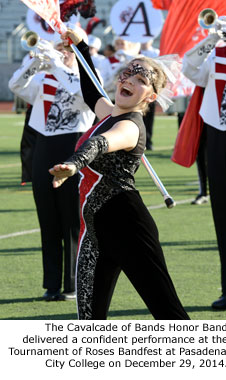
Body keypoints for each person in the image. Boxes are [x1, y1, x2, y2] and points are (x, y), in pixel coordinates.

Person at [49, 28, 190, 320]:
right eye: (128, 74)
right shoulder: (110, 113)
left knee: (169, 314)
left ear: (150, 96)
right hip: (94, 231)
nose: (129, 80)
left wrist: (74, 164)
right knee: (89, 320)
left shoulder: (130, 126)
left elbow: (101, 144)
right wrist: (82, 48)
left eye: (141, 80)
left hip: (129, 227)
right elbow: (92, 92)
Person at [8, 27, 95, 301]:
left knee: (71, 218)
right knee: (47, 217)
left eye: (69, 51)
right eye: (61, 49)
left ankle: (71, 284)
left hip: (73, 146)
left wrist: (57, 63)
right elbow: (15, 86)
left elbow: (81, 95)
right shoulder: (46, 77)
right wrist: (35, 62)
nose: (64, 54)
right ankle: (52, 284)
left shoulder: (87, 80)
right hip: (44, 144)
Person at [182, 15, 226, 309]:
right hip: (219, 137)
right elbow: (189, 68)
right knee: (223, 218)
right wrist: (212, 38)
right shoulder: (217, 56)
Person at [140, 39, 160, 150]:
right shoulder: (136, 51)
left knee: (149, 117)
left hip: (151, 89)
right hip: (139, 90)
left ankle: (148, 141)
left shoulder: (156, 53)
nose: (144, 42)